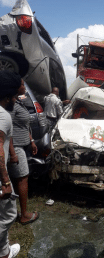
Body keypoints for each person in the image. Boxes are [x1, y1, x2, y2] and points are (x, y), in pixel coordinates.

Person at [8, 79, 39, 226]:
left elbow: (24, 126)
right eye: (22, 84)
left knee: (17, 178)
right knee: (22, 178)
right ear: (15, 87)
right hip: (16, 147)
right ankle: (24, 215)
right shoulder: (11, 105)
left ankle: (15, 212)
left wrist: (31, 141)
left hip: (23, 145)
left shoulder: (19, 102)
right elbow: (7, 130)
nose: (24, 86)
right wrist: (13, 153)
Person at [0, 70, 21, 258]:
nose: (17, 98)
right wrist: (6, 181)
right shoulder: (3, 115)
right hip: (0, 177)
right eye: (15, 94)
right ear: (8, 95)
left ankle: (5, 249)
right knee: (7, 216)